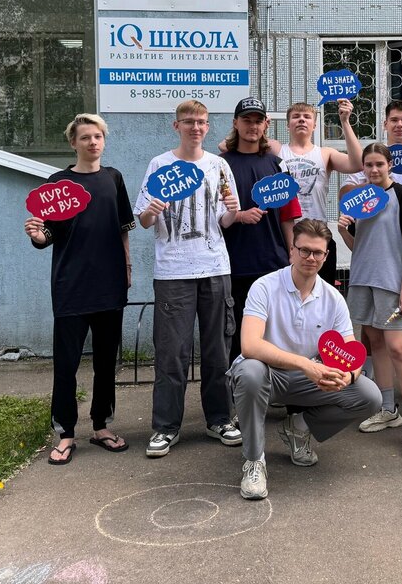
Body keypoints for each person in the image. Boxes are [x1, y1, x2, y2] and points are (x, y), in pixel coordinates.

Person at [230, 219, 381, 500]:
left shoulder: (333, 298)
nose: (311, 257)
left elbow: (352, 352)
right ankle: (254, 460)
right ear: (292, 250)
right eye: (304, 250)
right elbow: (249, 345)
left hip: (309, 378)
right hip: (268, 374)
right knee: (249, 372)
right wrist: (306, 364)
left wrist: (347, 376)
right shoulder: (264, 286)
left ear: (326, 256)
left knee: (369, 396)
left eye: (318, 252)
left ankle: (298, 428)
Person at [24, 113, 134, 465]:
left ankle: (101, 426)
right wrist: (37, 236)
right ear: (73, 143)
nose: (92, 142)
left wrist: (127, 266)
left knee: (105, 361)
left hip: (110, 285)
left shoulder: (114, 179)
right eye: (85, 137)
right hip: (71, 286)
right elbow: (48, 234)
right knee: (66, 364)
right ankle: (65, 433)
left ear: (104, 140)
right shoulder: (58, 183)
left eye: (97, 136)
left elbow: (123, 228)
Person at [134, 100, 242, 458]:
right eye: (189, 121)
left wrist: (233, 212)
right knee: (172, 353)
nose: (195, 127)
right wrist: (151, 211)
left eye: (201, 122)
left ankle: (220, 419)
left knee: (218, 350)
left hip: (215, 268)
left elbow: (225, 221)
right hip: (173, 272)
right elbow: (144, 221)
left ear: (208, 127)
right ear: (176, 126)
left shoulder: (219, 165)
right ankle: (166, 427)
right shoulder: (160, 165)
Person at [339, 100, 402, 404]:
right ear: (385, 124)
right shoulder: (372, 158)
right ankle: (370, 377)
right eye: (394, 119)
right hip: (374, 250)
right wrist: (366, 189)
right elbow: (346, 192)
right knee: (370, 321)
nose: (399, 124)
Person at [338, 143, 402, 456]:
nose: (374, 170)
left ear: (389, 165)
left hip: (392, 284)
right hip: (363, 280)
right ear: (362, 168)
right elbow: (359, 246)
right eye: (368, 165)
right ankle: (388, 410)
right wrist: (344, 232)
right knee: (375, 344)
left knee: (399, 349)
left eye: (379, 164)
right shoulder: (359, 199)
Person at [220, 96, 302, 365]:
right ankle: (240, 387)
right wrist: (239, 216)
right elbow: (211, 214)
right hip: (233, 265)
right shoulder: (219, 164)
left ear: (266, 124)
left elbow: (288, 216)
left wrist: (292, 252)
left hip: (273, 263)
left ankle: (281, 388)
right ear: (235, 123)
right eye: (247, 120)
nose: (252, 126)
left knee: (278, 333)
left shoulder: (277, 164)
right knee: (237, 336)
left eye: (258, 121)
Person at [279, 100, 363, 285]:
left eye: (307, 117)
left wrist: (345, 122)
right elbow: (225, 145)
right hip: (286, 235)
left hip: (318, 233)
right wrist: (263, 125)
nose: (301, 120)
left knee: (321, 291)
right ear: (288, 124)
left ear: (315, 125)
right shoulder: (277, 150)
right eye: (296, 116)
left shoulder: (325, 153)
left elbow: (358, 164)